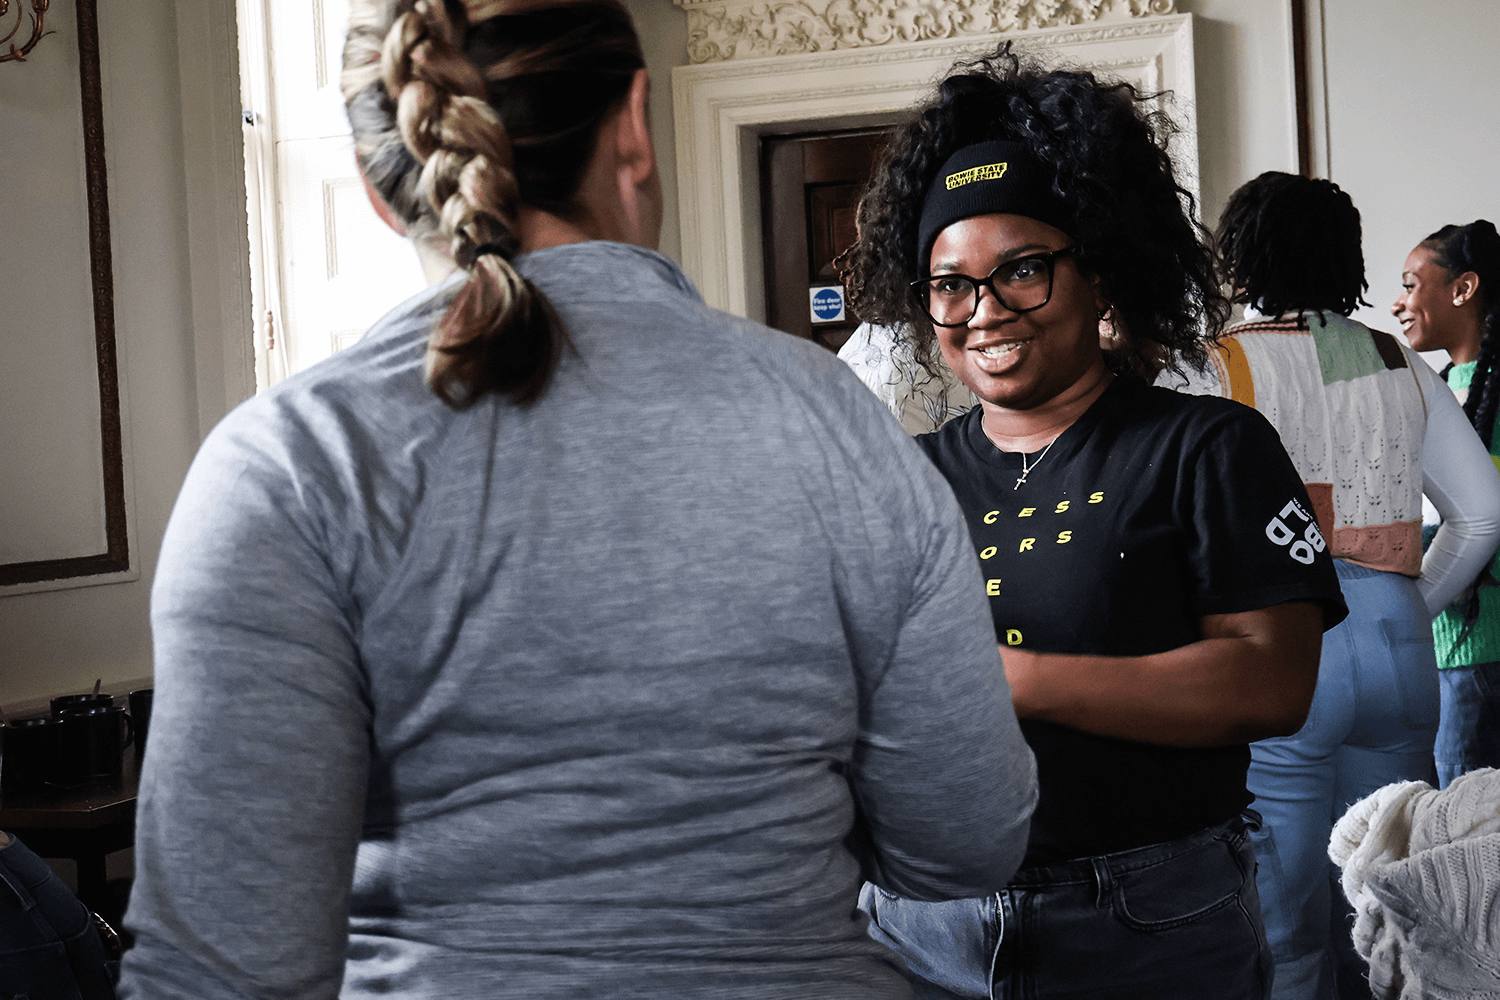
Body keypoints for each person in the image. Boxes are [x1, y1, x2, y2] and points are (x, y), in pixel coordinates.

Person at [116, 2, 1039, 997]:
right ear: (635, 128)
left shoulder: (289, 463)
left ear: (388, 192)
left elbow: (222, 969)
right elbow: (966, 840)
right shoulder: (835, 423)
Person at [840, 44, 1348, 1000]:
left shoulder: (1208, 448)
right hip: (921, 927)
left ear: (1101, 277)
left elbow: (1272, 681)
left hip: (1149, 921)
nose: (983, 311)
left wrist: (1013, 679)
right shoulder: (901, 479)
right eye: (949, 284)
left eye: (1022, 270)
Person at [1181, 174, 1500, 1000]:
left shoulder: (1212, 365)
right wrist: (1405, 606)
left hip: (1278, 645)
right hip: (1398, 642)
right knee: (1383, 903)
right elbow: (1485, 518)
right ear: (1346, 258)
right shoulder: (1401, 362)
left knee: (1281, 926)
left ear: (1240, 254)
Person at [1393, 220, 1500, 788]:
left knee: (1467, 837)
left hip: (1475, 654)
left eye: (1411, 285)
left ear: (1463, 289)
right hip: (1450, 650)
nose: (1398, 302)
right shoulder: (1433, 389)